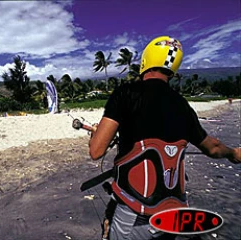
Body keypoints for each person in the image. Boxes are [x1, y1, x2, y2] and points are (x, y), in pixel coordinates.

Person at [88, 36, 241, 240]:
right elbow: (213, 147)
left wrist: (95, 135)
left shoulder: (125, 94)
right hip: (175, 217)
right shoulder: (183, 105)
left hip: (135, 215)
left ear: (146, 61)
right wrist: (233, 153)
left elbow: (96, 151)